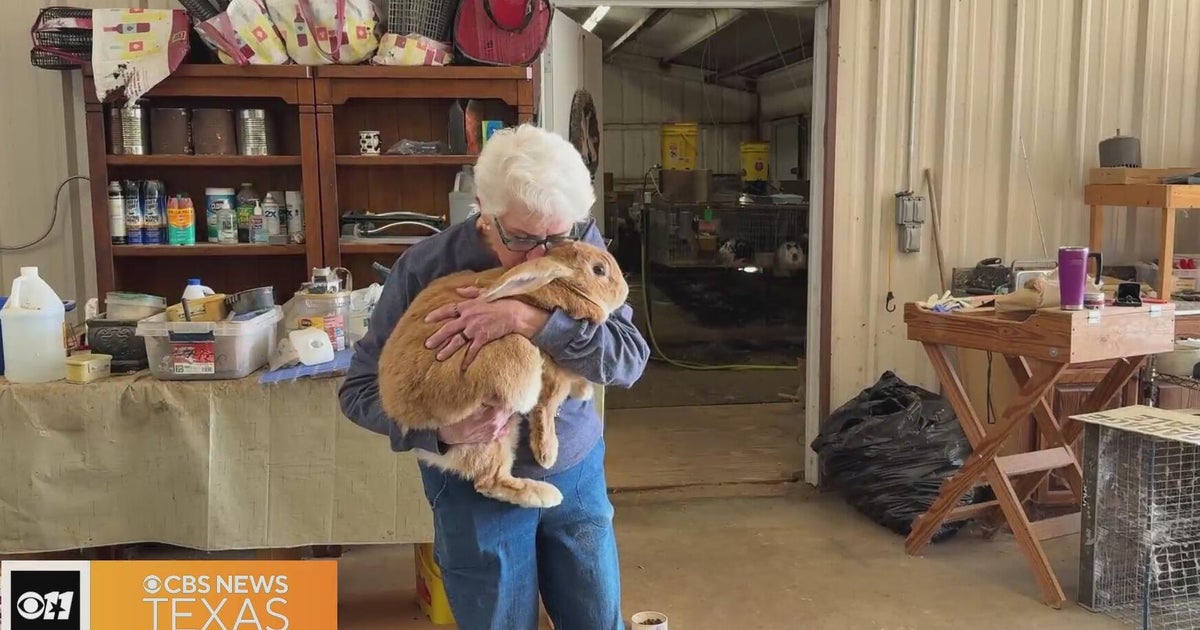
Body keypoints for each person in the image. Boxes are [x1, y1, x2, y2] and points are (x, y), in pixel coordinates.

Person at [339, 123, 650, 630]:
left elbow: (628, 359)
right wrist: (440, 432)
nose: (542, 257)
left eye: (557, 237)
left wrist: (534, 322)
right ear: (483, 208)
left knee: (596, 615)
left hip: (574, 467)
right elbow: (358, 392)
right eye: (523, 239)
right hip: (475, 490)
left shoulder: (575, 245)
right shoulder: (425, 266)